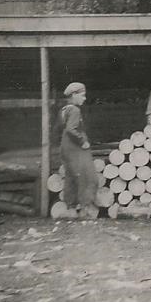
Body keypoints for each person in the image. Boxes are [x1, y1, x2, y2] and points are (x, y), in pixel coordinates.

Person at [58, 82, 98, 217]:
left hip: (66, 146)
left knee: (71, 176)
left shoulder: (64, 109)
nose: (84, 98)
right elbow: (71, 129)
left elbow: (62, 129)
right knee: (87, 176)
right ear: (74, 95)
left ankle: (71, 209)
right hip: (75, 146)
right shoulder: (75, 110)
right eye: (82, 95)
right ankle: (85, 209)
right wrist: (82, 141)